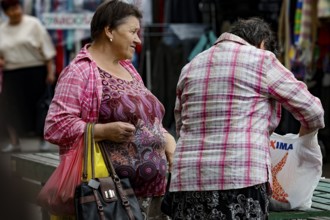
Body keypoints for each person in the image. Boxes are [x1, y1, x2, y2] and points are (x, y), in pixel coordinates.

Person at [170, 17, 325, 219]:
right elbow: (313, 110)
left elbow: (181, 125)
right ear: (262, 44)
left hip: (187, 180)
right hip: (240, 178)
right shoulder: (261, 60)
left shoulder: (190, 67)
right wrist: (305, 135)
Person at [44, 0, 176, 219]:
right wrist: (102, 131)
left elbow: (146, 121)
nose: (138, 39)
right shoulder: (80, 72)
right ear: (109, 30)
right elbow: (55, 125)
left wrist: (166, 138)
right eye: (133, 31)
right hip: (111, 198)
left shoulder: (129, 69)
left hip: (151, 196)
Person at [0, 0, 56, 152]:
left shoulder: (33, 24)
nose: (15, 11)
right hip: (11, 73)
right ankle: (14, 142)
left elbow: (47, 50)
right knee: (8, 107)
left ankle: (42, 140)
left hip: (35, 71)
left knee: (38, 107)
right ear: (5, 12)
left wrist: (50, 72)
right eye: (10, 9)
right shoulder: (2, 29)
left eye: (16, 7)